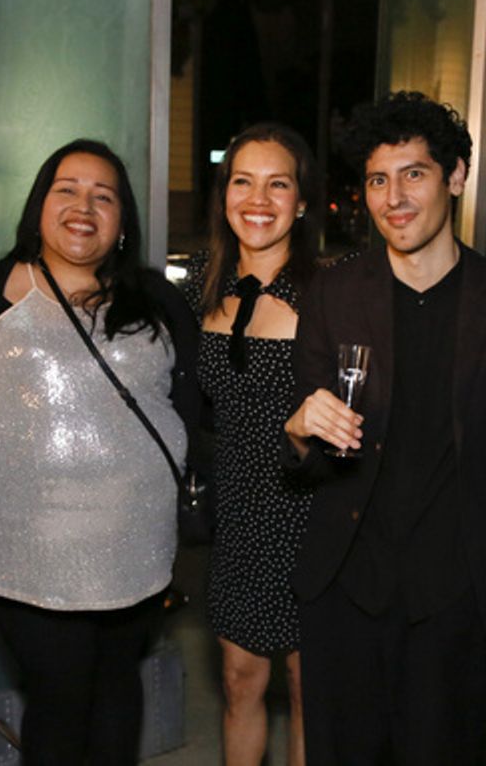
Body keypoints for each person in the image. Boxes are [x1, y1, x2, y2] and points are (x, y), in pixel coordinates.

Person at [282, 90, 486, 764]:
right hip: (346, 584)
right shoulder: (335, 294)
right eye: (377, 179)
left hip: (453, 595)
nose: (394, 197)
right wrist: (300, 428)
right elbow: (302, 458)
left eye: (414, 174)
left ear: (456, 177)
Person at [0, 140, 200, 765]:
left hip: (136, 542)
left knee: (119, 690)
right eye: (66, 189)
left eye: (103, 195)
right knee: (61, 697)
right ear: (39, 204)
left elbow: (191, 404)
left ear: (123, 222)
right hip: (25, 547)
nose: (83, 205)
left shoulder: (159, 301)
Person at [182, 122, 320, 766]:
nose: (258, 199)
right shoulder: (197, 293)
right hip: (239, 515)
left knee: (307, 692)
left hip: (314, 514)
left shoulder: (330, 297)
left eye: (278, 183)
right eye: (243, 181)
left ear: (302, 201)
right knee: (241, 682)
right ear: (224, 194)